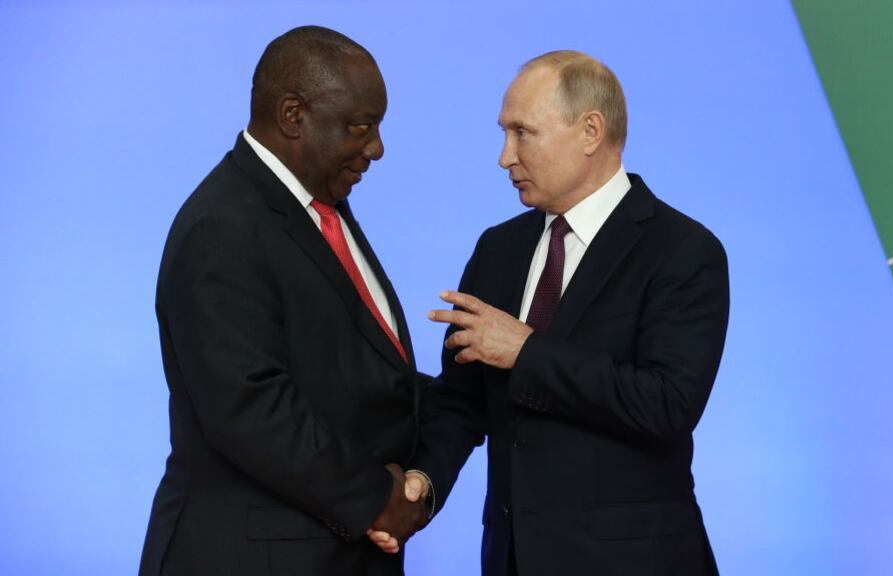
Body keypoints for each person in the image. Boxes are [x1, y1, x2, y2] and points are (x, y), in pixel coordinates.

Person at [370, 50, 729, 575]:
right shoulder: (498, 248)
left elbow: (666, 404)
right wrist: (423, 480)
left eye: (523, 133)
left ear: (590, 131)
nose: (505, 157)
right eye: (504, 133)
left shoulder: (682, 250)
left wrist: (526, 352)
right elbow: (461, 400)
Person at [139, 26, 426, 576]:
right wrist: (375, 497)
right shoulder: (221, 226)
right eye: (361, 127)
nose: (376, 148)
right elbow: (249, 407)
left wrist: (459, 405)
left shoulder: (316, 205)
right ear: (293, 115)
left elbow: (348, 372)